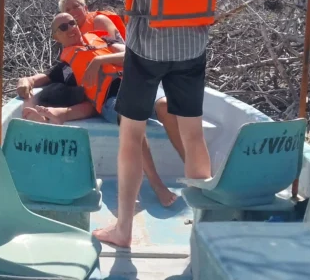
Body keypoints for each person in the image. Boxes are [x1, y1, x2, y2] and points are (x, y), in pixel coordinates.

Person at [91, 0, 220, 247]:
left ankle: (123, 231)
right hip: (193, 44)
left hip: (147, 47)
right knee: (194, 136)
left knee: (130, 136)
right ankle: (204, 231)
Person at [15, 12, 186, 206]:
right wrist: (26, 80)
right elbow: (42, 78)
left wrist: (99, 61)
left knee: (166, 106)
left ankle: (192, 169)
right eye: (63, 27)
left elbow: (133, 57)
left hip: (137, 87)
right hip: (111, 100)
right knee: (130, 117)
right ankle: (157, 186)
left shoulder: (103, 40)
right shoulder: (65, 67)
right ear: (56, 37)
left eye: (72, 23)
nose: (70, 28)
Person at [58, 0, 127, 44]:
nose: (72, 12)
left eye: (76, 6)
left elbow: (114, 52)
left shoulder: (99, 21)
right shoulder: (70, 35)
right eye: (67, 10)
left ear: (85, 8)